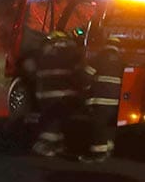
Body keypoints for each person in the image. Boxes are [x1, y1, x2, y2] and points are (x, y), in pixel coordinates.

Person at [32, 30, 82, 157]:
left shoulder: (45, 50)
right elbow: (79, 69)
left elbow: (36, 69)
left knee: (52, 120)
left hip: (46, 93)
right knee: (57, 120)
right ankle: (51, 145)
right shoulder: (72, 49)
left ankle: (51, 146)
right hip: (67, 94)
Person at [78, 35, 124, 163]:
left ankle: (98, 154)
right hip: (115, 100)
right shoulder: (121, 60)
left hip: (100, 98)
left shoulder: (100, 57)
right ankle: (108, 149)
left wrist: (86, 88)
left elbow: (86, 75)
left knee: (98, 126)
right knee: (109, 125)